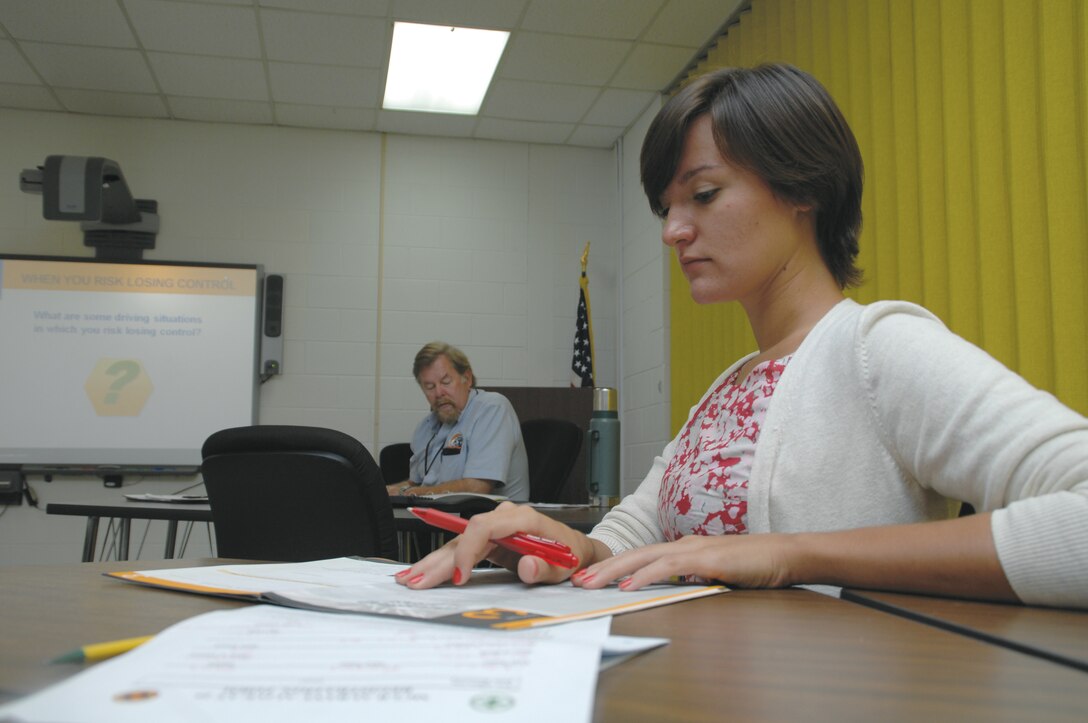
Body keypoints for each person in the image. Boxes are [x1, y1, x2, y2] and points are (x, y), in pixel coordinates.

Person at [394, 64, 1088, 608]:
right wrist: (563, 545)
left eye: (702, 195)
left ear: (802, 189)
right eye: (667, 207)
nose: (672, 230)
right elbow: (634, 537)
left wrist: (795, 553)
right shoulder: (731, 384)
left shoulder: (876, 348)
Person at [388, 341, 529, 502]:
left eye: (446, 382)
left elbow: (478, 487)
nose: (439, 392)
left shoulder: (492, 408)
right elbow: (416, 482)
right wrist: (392, 490)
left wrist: (412, 493)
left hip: (492, 520)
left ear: (467, 378)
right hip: (442, 518)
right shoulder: (426, 427)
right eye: (429, 386)